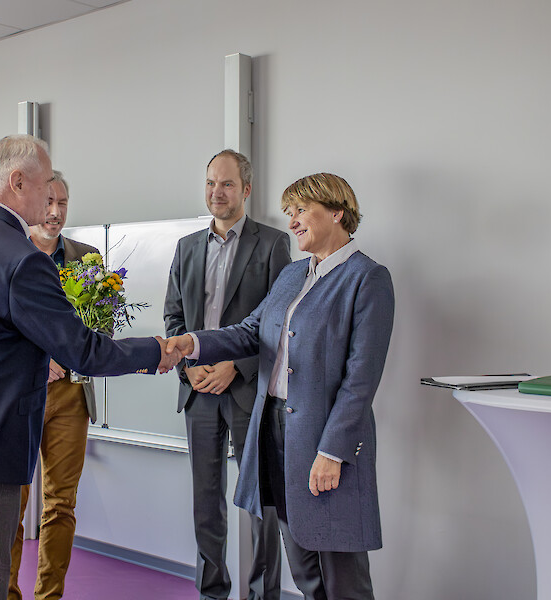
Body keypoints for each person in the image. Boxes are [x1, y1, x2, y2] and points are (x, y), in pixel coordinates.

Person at [0, 134, 181, 600]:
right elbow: (84, 351)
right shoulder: (22, 260)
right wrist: (156, 351)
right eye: (45, 185)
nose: (50, 197)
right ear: (17, 182)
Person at [167, 173, 395, 600]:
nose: (291, 221)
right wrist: (190, 344)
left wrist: (332, 452)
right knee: (305, 567)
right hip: (273, 432)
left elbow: (361, 380)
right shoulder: (292, 275)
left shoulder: (367, 278)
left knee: (342, 575)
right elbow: (250, 331)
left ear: (337, 212)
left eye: (300, 211)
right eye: (289, 212)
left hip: (324, 441)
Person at [164, 150, 290, 600]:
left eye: (228, 184)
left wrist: (236, 366)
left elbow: (281, 322)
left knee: (262, 506)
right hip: (198, 392)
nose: (217, 192)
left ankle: (262, 595)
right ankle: (212, 592)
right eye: (211, 183)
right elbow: (174, 316)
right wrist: (191, 365)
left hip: (249, 393)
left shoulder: (273, 244)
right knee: (206, 504)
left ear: (247, 189)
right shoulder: (186, 247)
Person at [7, 171, 99, 600]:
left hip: (71, 398)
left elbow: (101, 328)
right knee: (11, 505)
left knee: (61, 504)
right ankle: (5, 593)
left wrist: (73, 358)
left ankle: (49, 596)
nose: (56, 212)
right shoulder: (8, 254)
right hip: (19, 395)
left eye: (63, 202)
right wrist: (37, 362)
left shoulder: (88, 258)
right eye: (49, 202)